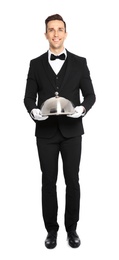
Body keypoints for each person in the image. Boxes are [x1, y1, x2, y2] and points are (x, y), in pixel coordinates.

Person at [24, 14, 96, 249]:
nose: (55, 34)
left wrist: (82, 109)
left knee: (72, 181)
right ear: (45, 34)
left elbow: (90, 95)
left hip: (72, 132)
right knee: (48, 182)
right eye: (51, 30)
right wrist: (33, 111)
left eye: (60, 29)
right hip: (45, 134)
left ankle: (72, 229)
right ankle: (51, 230)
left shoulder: (80, 62)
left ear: (66, 33)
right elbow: (28, 98)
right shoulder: (35, 64)